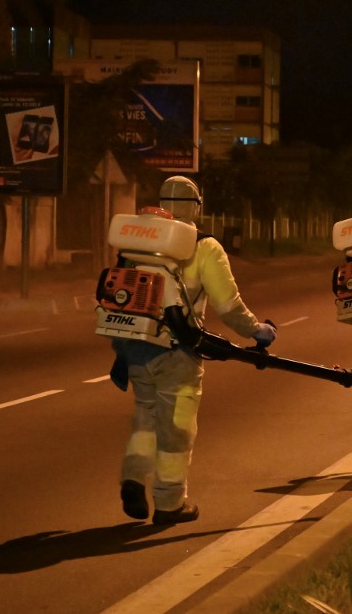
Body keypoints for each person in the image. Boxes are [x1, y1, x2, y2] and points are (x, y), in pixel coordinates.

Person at [111, 176, 277, 525]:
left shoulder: (135, 243)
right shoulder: (204, 247)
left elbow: (118, 300)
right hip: (177, 350)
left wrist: (119, 352)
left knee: (146, 416)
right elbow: (228, 306)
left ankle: (133, 476)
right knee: (177, 427)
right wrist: (257, 332)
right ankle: (170, 503)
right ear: (195, 207)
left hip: (136, 346)